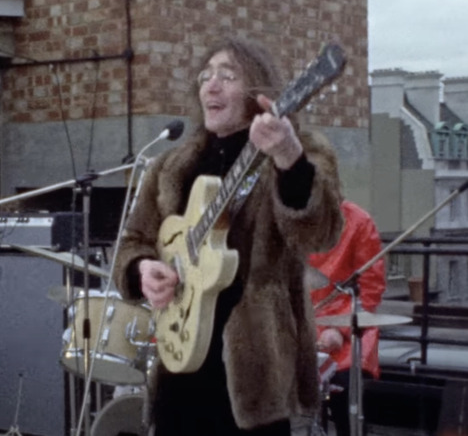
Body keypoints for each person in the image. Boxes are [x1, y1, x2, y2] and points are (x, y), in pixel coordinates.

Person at [111, 36, 344, 435]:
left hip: (257, 377)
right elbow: (132, 242)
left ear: (258, 91)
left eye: (227, 75)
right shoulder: (170, 166)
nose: (211, 85)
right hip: (180, 367)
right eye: (205, 76)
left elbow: (321, 232)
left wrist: (289, 160)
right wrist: (143, 269)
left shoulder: (300, 150)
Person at [309, 199, 386, 436]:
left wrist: (339, 330)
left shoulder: (359, 222)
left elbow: (370, 289)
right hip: (300, 324)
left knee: (345, 395)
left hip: (348, 327)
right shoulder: (285, 218)